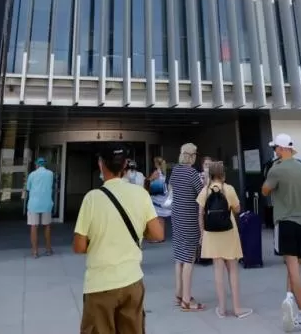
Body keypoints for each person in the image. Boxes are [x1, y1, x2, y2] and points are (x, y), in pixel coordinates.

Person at [74, 147, 163, 334]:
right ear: (124, 165)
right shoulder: (141, 194)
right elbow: (157, 234)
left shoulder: (91, 199)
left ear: (101, 165)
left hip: (100, 285)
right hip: (132, 280)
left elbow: (79, 246)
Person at [262, 134, 301, 333]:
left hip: (286, 221)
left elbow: (265, 190)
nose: (274, 151)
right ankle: (290, 297)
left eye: (275, 148)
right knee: (296, 266)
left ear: (281, 149)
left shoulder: (277, 169)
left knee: (292, 267)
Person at [196, 162, 252, 319]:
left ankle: (221, 309)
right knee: (232, 270)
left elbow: (200, 214)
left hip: (211, 234)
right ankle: (237, 308)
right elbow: (237, 209)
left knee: (218, 271)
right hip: (228, 232)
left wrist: (202, 234)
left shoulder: (205, 190)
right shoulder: (229, 189)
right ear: (222, 175)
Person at [169, 143, 206, 311]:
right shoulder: (192, 173)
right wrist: (205, 182)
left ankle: (178, 294)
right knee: (189, 258)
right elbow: (202, 194)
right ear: (192, 156)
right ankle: (186, 300)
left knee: (179, 256)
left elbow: (172, 188)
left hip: (176, 216)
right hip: (189, 218)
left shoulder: (175, 171)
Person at [26, 157, 55, 258]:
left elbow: (28, 188)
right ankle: (48, 249)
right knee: (47, 226)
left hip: (34, 204)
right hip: (46, 203)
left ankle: (35, 252)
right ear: (44, 164)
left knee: (34, 226)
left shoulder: (32, 174)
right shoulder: (50, 174)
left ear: (37, 165)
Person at [147, 157, 172, 241]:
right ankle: (161, 236)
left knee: (158, 217)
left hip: (156, 197)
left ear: (156, 164)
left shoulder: (156, 172)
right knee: (161, 218)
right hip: (162, 197)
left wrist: (149, 179)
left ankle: (159, 237)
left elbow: (149, 181)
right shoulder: (164, 173)